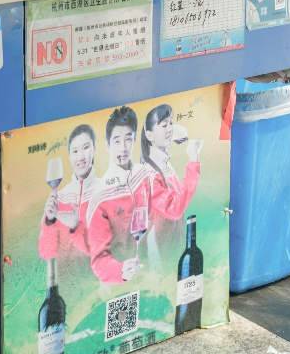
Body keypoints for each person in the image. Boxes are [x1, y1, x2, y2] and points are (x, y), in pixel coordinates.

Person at [85, 107, 148, 285]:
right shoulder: (101, 197)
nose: (123, 147)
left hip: (152, 274)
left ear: (135, 139)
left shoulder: (142, 175)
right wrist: (121, 271)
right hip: (118, 285)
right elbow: (98, 260)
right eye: (117, 141)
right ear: (107, 145)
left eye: (128, 139)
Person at [39, 124, 100, 264]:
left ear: (94, 149)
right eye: (75, 151)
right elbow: (47, 252)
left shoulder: (105, 190)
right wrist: (50, 220)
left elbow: (105, 248)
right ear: (69, 156)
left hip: (101, 281)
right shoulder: (60, 197)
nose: (81, 157)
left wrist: (75, 227)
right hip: (67, 281)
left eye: (86, 148)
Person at [140, 103, 202, 221]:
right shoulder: (150, 175)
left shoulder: (165, 163)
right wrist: (193, 161)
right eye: (164, 125)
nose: (170, 129)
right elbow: (174, 209)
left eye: (171, 123)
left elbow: (181, 199)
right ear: (149, 135)